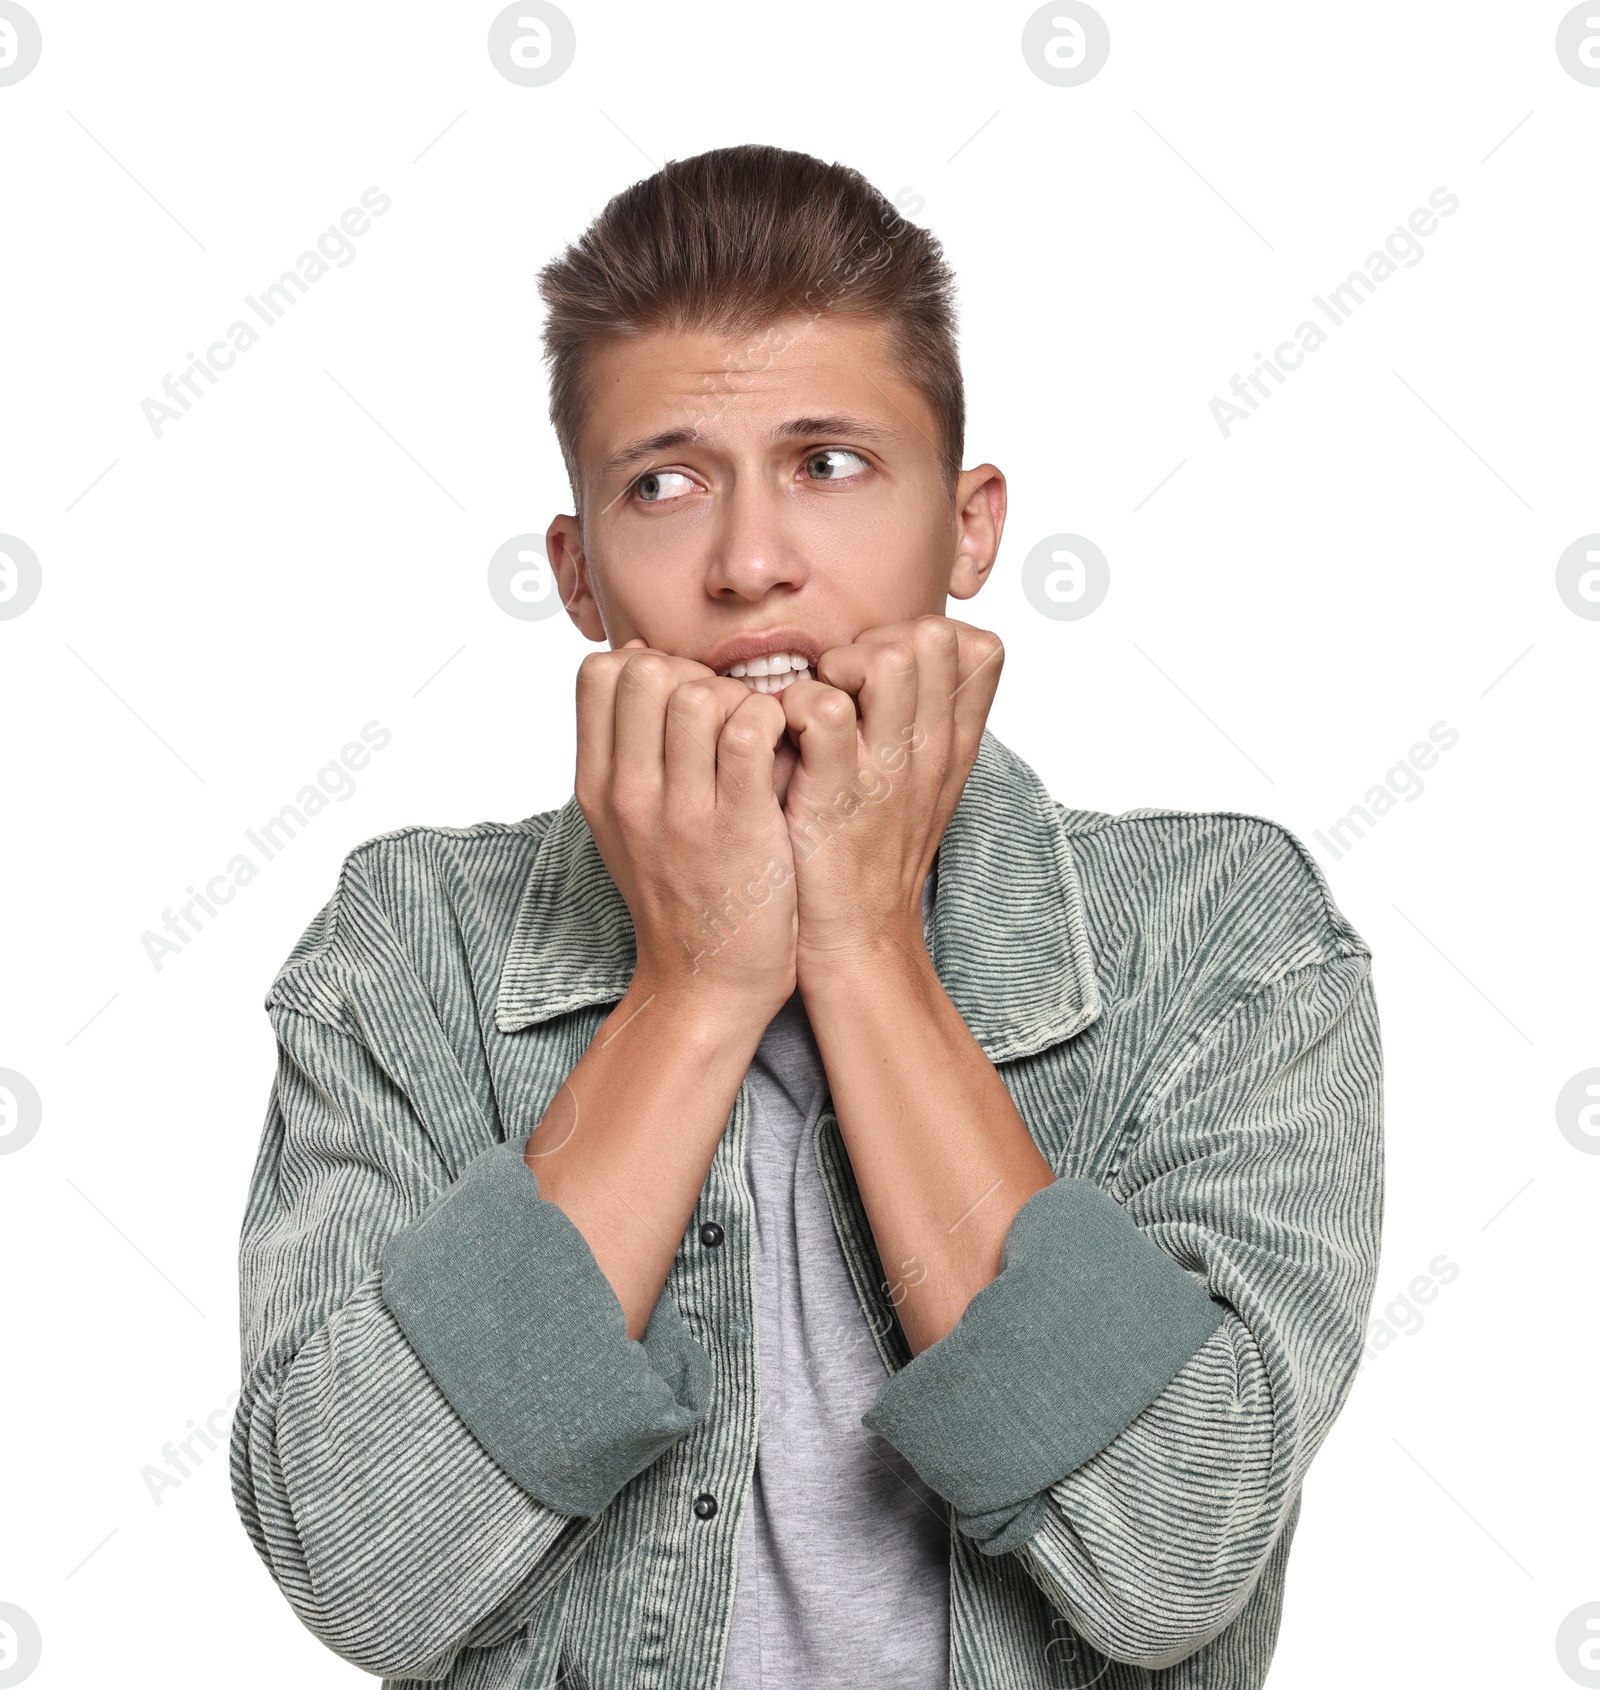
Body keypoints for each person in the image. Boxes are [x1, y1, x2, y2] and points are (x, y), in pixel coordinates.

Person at [230, 143, 1383, 1690]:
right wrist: (691, 996)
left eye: (829, 463)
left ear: (968, 526)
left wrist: (867, 949)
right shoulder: (411, 943)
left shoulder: (1226, 937)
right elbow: (367, 1564)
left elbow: (1166, 1552)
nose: (751, 563)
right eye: (665, 483)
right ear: (580, 574)